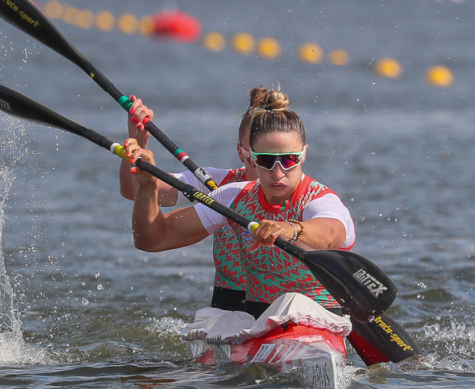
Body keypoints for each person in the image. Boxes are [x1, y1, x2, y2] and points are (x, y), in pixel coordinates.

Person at [124, 90, 356, 316]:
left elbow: (331, 232)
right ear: (249, 155)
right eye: (265, 160)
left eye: (288, 160)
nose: (277, 172)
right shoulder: (232, 195)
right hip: (249, 315)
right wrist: (147, 187)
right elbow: (151, 239)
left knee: (293, 302)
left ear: (303, 154)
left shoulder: (320, 199)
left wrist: (288, 228)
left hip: (317, 317)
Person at [117, 89, 266, 313]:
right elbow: (133, 190)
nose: (271, 169)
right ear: (241, 152)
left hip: (281, 302)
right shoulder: (221, 184)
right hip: (229, 303)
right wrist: (139, 142)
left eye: (280, 158)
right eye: (258, 157)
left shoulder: (308, 196)